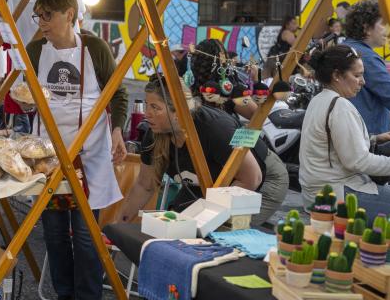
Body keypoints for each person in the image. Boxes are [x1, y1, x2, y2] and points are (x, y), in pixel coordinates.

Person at [16, 0, 127, 300]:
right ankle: (64, 294)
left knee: (85, 233)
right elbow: (27, 95)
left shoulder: (95, 49)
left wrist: (118, 130)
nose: (41, 23)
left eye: (47, 15)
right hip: (47, 155)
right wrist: (24, 102)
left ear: (69, 13)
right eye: (38, 16)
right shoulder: (35, 50)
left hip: (88, 154)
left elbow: (118, 91)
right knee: (53, 231)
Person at [119, 76, 288, 227]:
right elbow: (144, 185)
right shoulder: (155, 134)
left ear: (178, 110)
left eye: (155, 107)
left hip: (262, 180)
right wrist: (117, 225)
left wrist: (204, 223)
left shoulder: (216, 128)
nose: (147, 114)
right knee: (177, 225)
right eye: (147, 105)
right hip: (210, 184)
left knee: (219, 234)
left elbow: (251, 178)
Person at [299, 45, 390, 226]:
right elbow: (359, 161)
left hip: (320, 193)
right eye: (357, 75)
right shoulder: (339, 106)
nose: (362, 82)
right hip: (339, 194)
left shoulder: (320, 100)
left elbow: (332, 144)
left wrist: (375, 139)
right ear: (337, 75)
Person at [342, 0, 390, 135]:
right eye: (383, 24)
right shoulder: (367, 57)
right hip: (371, 138)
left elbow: (362, 97)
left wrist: (386, 112)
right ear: (366, 28)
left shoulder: (345, 48)